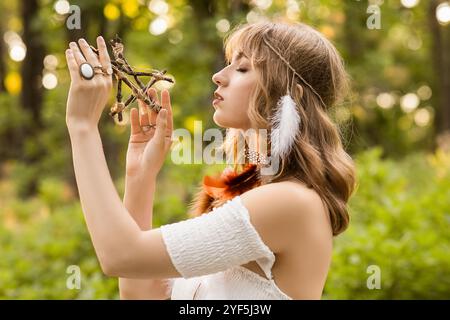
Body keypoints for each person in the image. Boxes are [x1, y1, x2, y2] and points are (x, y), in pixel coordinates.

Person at [64, 20, 356, 300]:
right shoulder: (254, 195)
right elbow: (142, 293)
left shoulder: (290, 202)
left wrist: (82, 127)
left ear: (288, 96)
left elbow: (120, 256)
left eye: (242, 68)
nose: (219, 75)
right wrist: (140, 176)